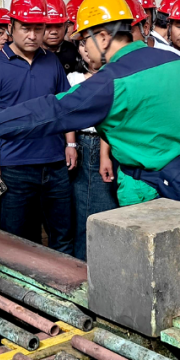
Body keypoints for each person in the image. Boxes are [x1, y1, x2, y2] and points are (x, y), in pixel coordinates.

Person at [0, 0, 180, 208]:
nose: (84, 49)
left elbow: (51, 110)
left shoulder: (110, 82)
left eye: (85, 40)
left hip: (144, 191)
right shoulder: (174, 62)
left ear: (102, 37)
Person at [0, 0, 76, 252]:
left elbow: (64, 106)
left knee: (63, 235)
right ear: (11, 27)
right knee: (18, 241)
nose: (32, 35)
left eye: (38, 28)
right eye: (25, 28)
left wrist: (70, 144)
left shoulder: (52, 61)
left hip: (55, 164)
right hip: (15, 167)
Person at [67, 31, 117, 260]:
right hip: (87, 144)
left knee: (111, 214)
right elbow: (67, 114)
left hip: (115, 144)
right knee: (87, 212)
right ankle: (85, 267)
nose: (86, 49)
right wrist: (71, 143)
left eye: (90, 42)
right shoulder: (74, 78)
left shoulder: (116, 75)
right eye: (82, 44)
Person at [44, 0, 81, 75]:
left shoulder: (75, 52)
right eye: (48, 26)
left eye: (59, 26)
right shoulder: (31, 53)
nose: (54, 32)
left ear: (65, 26)